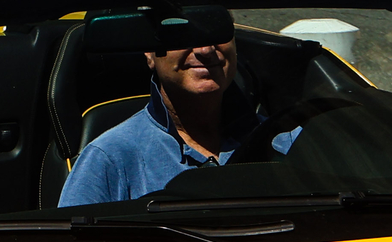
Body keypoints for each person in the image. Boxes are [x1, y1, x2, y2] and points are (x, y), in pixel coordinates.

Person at [57, 34, 298, 206]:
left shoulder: (288, 141)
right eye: (183, 30)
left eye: (216, 28)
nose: (204, 48)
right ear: (150, 53)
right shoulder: (110, 158)